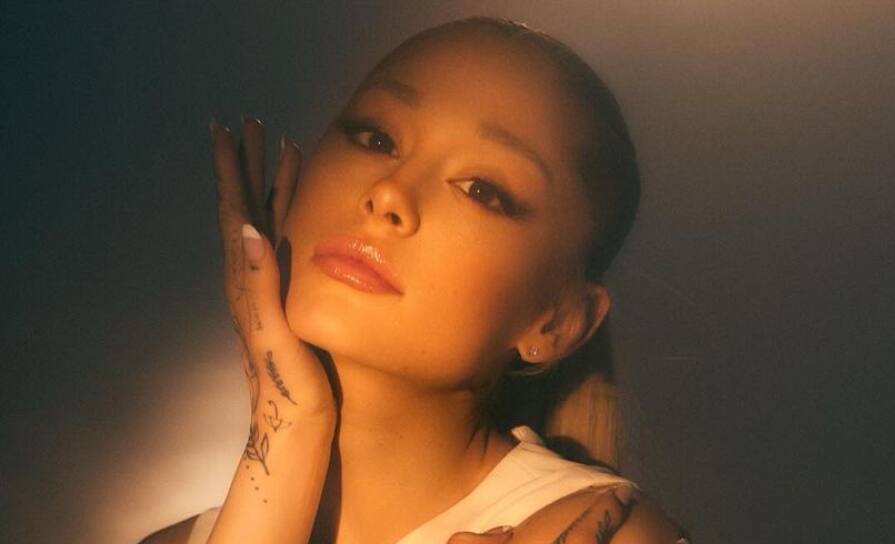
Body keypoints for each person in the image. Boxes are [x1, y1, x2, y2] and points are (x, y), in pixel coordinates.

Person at [139, 16, 687, 544]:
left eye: (481, 189)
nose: (390, 193)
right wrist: (286, 428)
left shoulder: (606, 531)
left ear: (559, 321)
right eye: (376, 138)